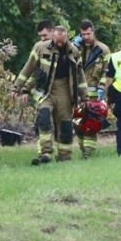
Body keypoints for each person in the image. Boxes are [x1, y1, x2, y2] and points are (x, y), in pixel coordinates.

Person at [10, 26, 88, 164]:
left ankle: (64, 156)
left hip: (64, 89)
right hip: (45, 91)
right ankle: (45, 153)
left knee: (65, 124)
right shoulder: (41, 48)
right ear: (53, 37)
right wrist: (16, 88)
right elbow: (28, 68)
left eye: (62, 42)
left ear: (66, 38)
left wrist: (84, 96)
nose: (59, 44)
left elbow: (80, 76)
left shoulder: (74, 52)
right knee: (44, 117)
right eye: (57, 41)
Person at [72, 20, 111, 159]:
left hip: (95, 96)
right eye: (83, 34)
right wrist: (72, 47)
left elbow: (107, 71)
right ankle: (84, 150)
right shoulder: (75, 48)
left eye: (88, 34)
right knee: (78, 125)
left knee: (92, 125)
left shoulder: (103, 50)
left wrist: (102, 88)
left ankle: (88, 154)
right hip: (77, 95)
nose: (86, 37)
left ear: (93, 32)